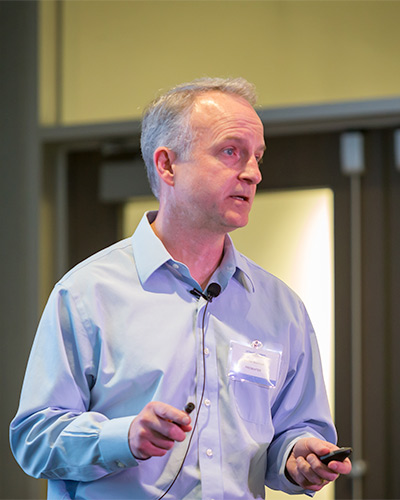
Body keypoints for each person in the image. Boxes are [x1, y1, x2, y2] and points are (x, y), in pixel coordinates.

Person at [10, 77, 351, 499]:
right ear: (167, 165)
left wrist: (299, 457)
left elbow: (295, 430)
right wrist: (124, 437)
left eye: (257, 157)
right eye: (231, 152)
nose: (253, 173)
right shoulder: (87, 293)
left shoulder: (282, 306)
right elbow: (34, 439)